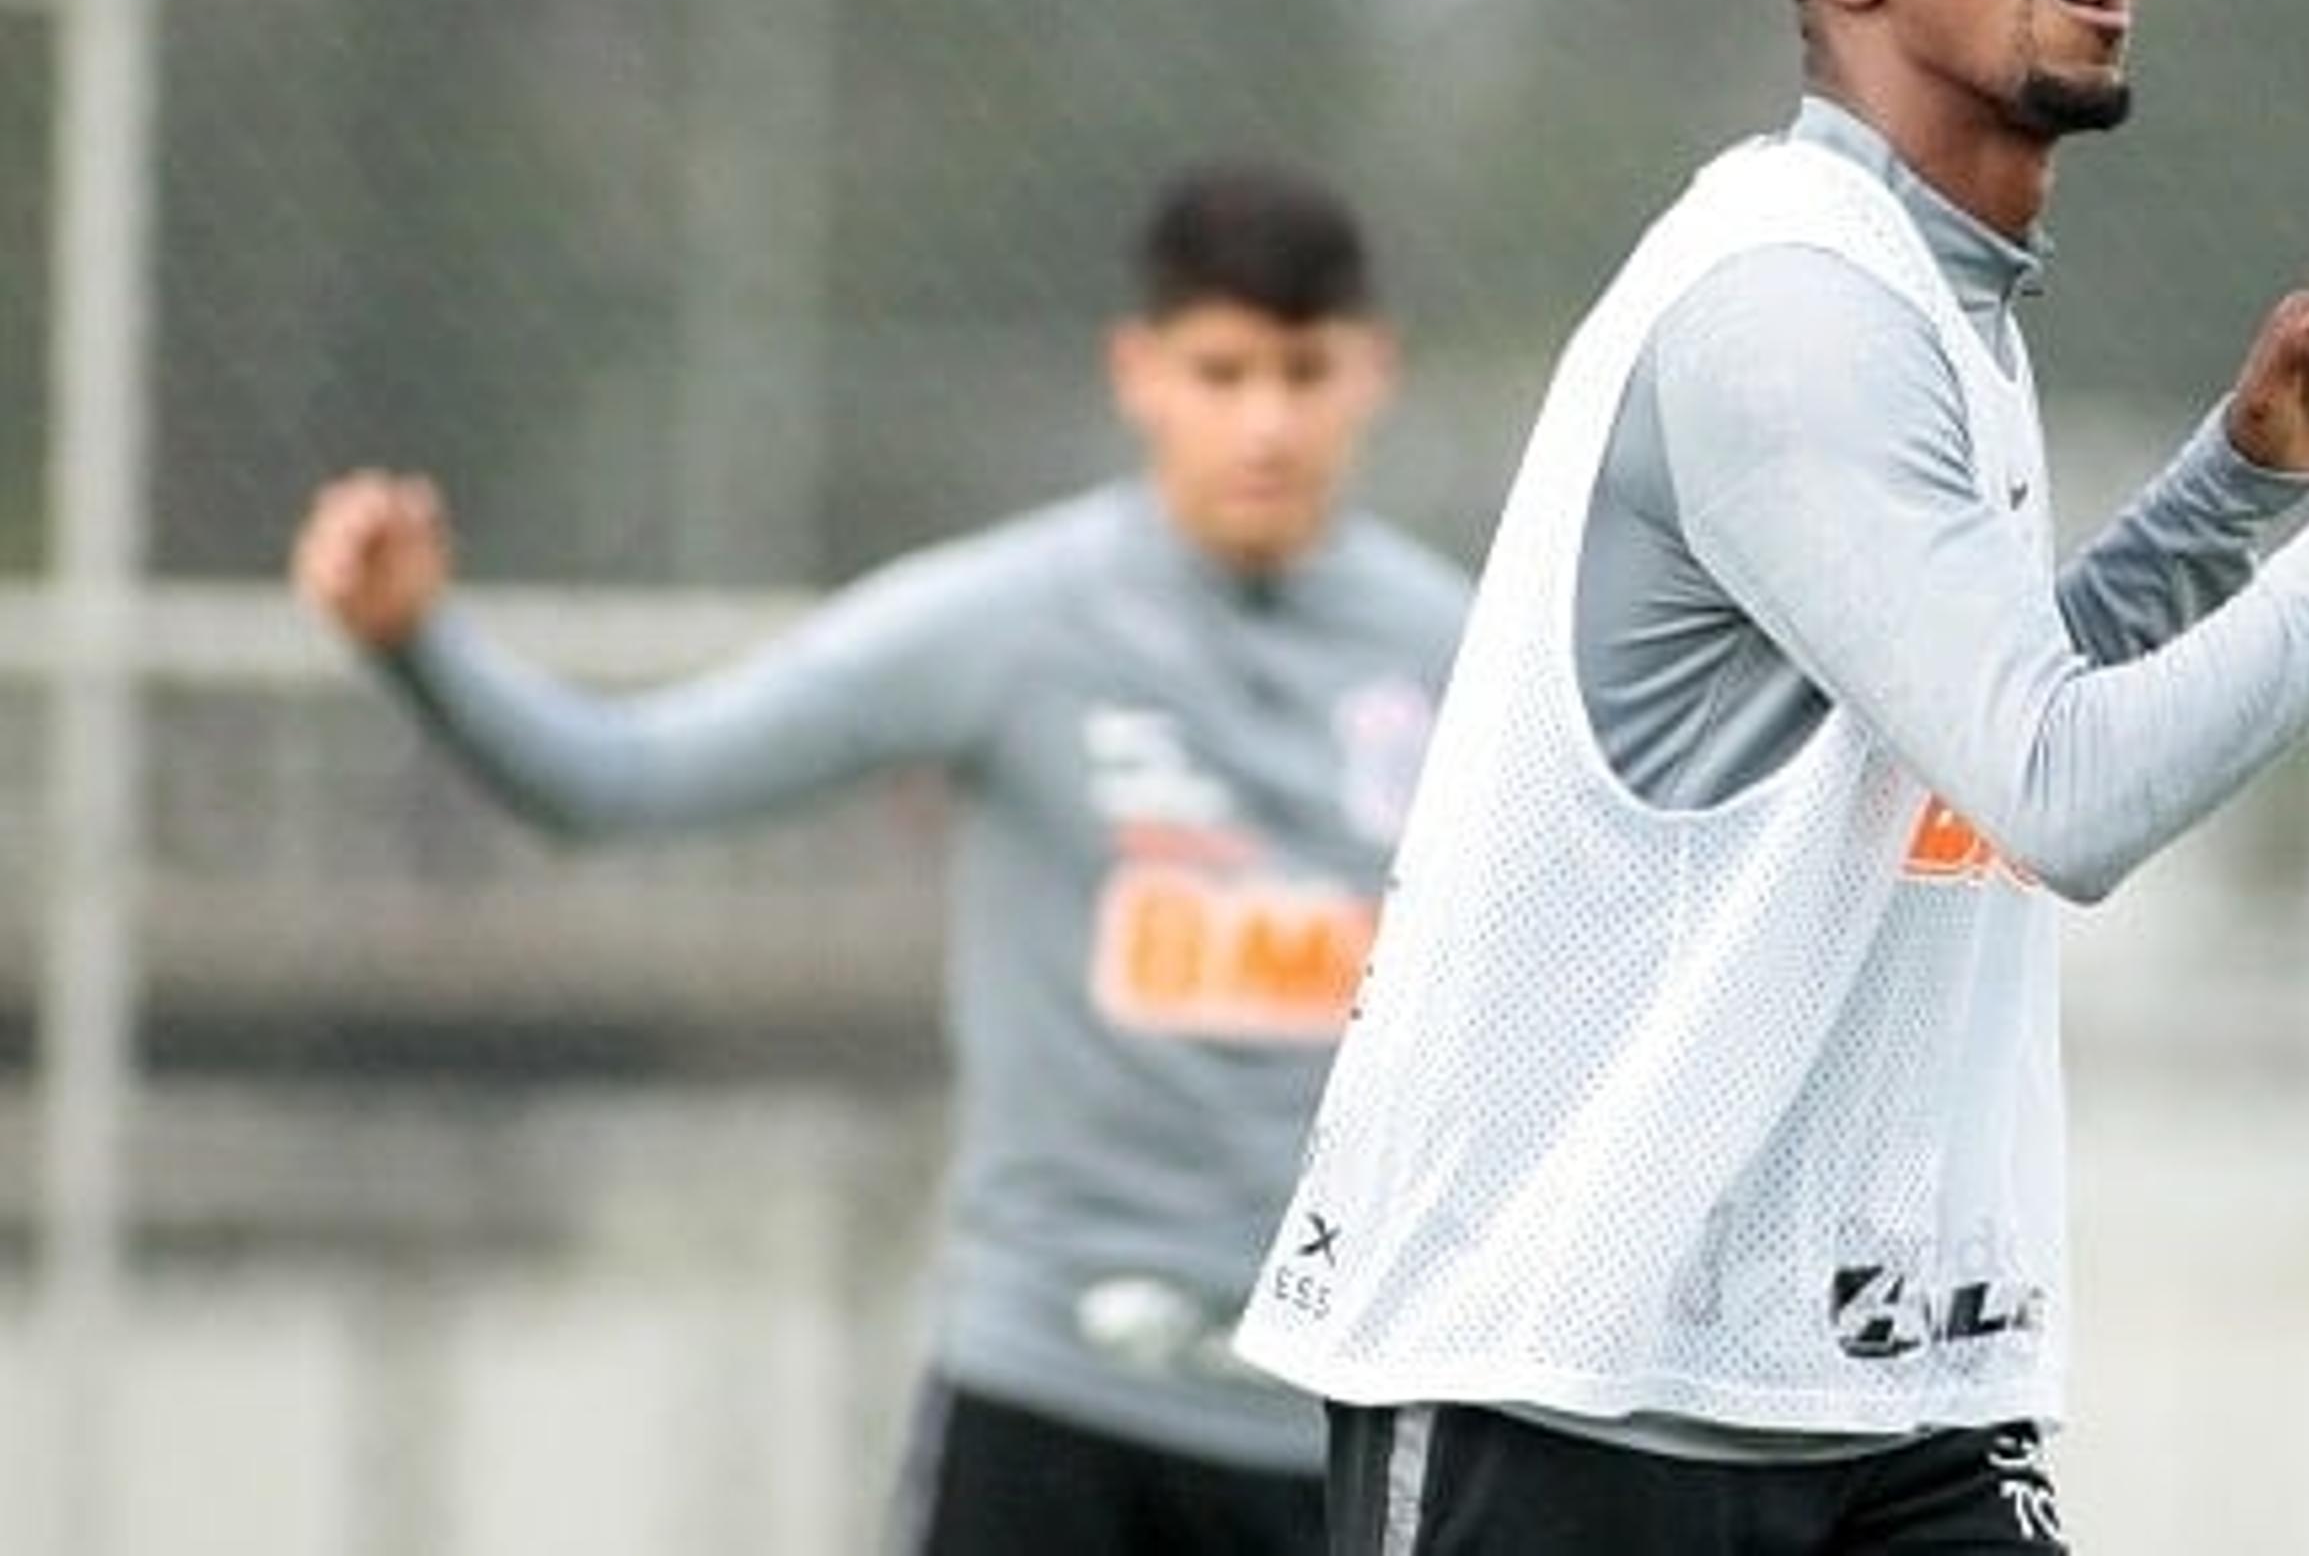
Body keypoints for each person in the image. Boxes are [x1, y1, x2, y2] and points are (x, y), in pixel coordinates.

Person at [1236, 0, 2309, 1552]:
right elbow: (2060, 793)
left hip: (1872, 1400)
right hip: (1573, 1395)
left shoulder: (1940, 305)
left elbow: (1957, 740)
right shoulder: (1791, 306)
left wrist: (2240, 484)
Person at [287, 160, 1471, 1556]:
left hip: (1333, 1417)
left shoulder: (1470, 652)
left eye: (1302, 370)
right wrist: (416, 646)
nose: (1264, 421)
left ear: (1372, 372)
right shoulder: (1007, 624)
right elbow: (619, 783)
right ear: (1137, 372)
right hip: (1051, 1404)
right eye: (1220, 373)